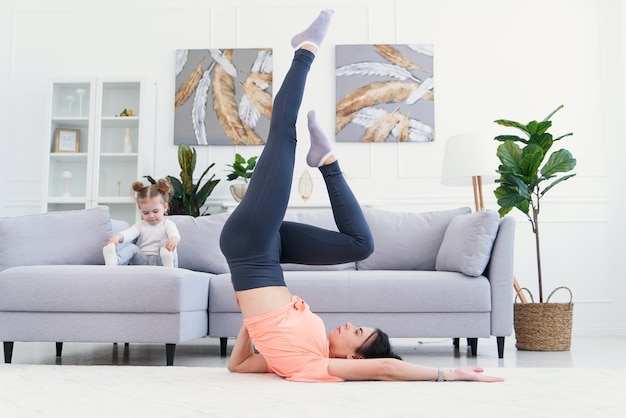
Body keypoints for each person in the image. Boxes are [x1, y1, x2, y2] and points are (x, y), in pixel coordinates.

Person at [220, 10, 502, 383]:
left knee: (283, 134)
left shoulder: (314, 365)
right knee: (360, 245)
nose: (350, 324)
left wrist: (451, 374)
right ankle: (326, 161)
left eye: (356, 333)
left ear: (354, 358)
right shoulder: (305, 354)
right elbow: (238, 367)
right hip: (265, 253)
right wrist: (255, 322)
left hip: (249, 245)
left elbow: (385, 366)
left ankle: (305, 48)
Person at [103, 178, 180, 268]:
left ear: (165, 207)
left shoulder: (167, 224)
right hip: (143, 261)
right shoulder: (141, 225)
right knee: (132, 248)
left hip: (161, 260)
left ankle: (168, 263)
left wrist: (173, 240)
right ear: (140, 210)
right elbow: (129, 233)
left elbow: (174, 234)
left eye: (155, 211)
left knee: (165, 243)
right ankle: (114, 261)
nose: (151, 216)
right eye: (146, 213)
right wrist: (118, 237)